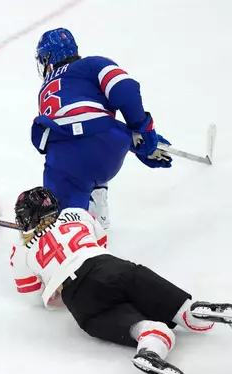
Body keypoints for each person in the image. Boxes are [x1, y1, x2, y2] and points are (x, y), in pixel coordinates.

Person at [9, 186, 232, 374]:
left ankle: (150, 349)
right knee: (169, 301)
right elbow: (101, 241)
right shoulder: (76, 214)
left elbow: (33, 296)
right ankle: (191, 311)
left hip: (79, 300)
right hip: (110, 267)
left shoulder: (20, 253)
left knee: (145, 328)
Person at [31, 28, 173, 229]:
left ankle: (69, 221)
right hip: (108, 149)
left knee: (63, 220)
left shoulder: (45, 89)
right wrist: (141, 133)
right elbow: (124, 91)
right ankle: (98, 200)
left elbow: (71, 129)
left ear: (49, 58)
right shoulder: (93, 64)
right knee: (100, 136)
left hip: (67, 160)